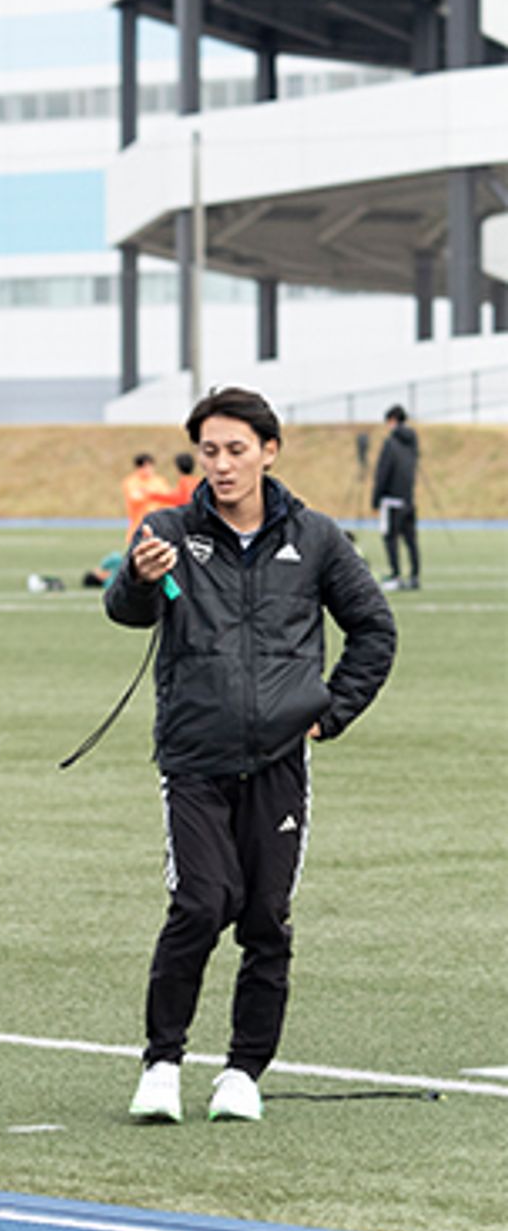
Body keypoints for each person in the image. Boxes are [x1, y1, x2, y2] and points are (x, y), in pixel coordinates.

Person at [105, 385, 395, 1125]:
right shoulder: (169, 526)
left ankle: (243, 1072)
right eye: (210, 451)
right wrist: (138, 578)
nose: (223, 464)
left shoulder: (317, 538)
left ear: (269, 451)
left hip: (279, 761)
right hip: (195, 759)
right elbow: (126, 609)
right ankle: (162, 1063)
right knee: (201, 904)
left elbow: (374, 629)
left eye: (237, 450)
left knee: (266, 915)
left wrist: (331, 713)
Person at [371, 404, 421, 591]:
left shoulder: (390, 444)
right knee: (410, 539)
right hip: (408, 499)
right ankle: (415, 575)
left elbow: (383, 473)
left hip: (391, 501)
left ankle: (396, 575)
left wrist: (375, 498)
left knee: (390, 538)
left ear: (392, 421)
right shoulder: (412, 443)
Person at [121, 452, 172, 541]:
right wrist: (153, 496)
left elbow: (168, 499)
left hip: (158, 528)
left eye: (150, 466)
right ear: (138, 468)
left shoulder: (159, 481)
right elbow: (135, 498)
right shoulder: (131, 482)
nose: (149, 469)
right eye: (145, 467)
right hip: (138, 527)